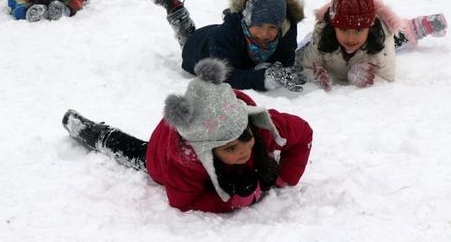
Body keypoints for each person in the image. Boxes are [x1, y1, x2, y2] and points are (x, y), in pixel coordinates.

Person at [62, 58, 313, 213]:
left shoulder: (258, 126)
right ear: (207, 152)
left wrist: (284, 178)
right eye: (229, 149)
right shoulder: (184, 163)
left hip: (205, 119)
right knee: (135, 151)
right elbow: (183, 201)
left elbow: (303, 134)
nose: (243, 151)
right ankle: (89, 131)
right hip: (162, 153)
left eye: (244, 138)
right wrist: (231, 201)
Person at [295, 0, 448, 90]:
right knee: (307, 44)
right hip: (329, 38)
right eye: (343, 29)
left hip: (376, 40)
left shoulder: (381, 39)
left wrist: (368, 78)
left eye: (358, 30)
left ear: (370, 26)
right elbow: (303, 66)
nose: (350, 37)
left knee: (398, 36)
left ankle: (416, 26)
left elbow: (388, 77)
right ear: (333, 26)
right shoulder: (321, 36)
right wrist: (315, 77)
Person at [149, 0, 306, 92]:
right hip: (199, 47)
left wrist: (278, 69)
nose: (265, 34)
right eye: (258, 25)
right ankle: (174, 8)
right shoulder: (225, 36)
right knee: (188, 38)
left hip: (222, 39)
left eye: (272, 27)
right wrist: (262, 78)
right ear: (247, 19)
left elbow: (286, 61)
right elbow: (223, 76)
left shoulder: (286, 30)